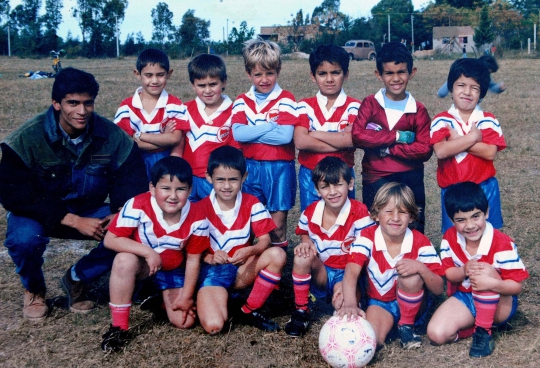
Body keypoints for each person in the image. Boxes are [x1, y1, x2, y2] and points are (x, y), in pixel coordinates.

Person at [0, 67, 148, 321]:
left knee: (137, 228)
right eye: (73, 103)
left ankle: (77, 277)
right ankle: (34, 289)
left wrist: (119, 212)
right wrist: (71, 220)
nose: (82, 111)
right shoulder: (27, 137)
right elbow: (13, 192)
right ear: (56, 103)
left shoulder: (111, 136)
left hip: (91, 211)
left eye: (88, 103)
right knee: (24, 239)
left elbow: (132, 179)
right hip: (39, 213)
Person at [101, 156, 210, 352]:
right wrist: (147, 252)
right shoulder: (137, 205)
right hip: (143, 267)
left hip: (173, 270)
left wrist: (186, 296)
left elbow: (193, 259)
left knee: (184, 322)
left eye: (181, 189)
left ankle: (158, 299)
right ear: (152, 188)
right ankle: (118, 328)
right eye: (165, 188)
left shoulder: (196, 216)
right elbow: (110, 239)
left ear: (190, 190)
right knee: (124, 260)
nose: (173, 196)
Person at [427, 182, 528, 358]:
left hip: (499, 302)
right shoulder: (450, 238)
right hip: (467, 297)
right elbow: (450, 274)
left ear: (487, 212)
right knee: (437, 334)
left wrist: (491, 283)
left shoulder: (502, 243)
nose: (470, 225)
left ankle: (484, 331)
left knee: (482, 269)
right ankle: (474, 329)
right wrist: (464, 269)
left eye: (475, 216)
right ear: (452, 220)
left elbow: (516, 287)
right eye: (461, 220)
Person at [338, 182, 444, 349]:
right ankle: (389, 327)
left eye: (402, 212)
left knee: (411, 276)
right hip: (381, 303)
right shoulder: (367, 236)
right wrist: (351, 304)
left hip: (414, 306)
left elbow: (439, 288)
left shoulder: (420, 241)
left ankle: (407, 327)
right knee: (369, 342)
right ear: (376, 214)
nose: (395, 218)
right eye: (388, 211)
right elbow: (351, 272)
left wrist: (421, 268)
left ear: (412, 216)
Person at [196, 146, 286, 333]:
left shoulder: (252, 203)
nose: (227, 186)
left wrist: (250, 250)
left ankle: (249, 308)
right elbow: (192, 249)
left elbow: (264, 241)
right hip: (212, 272)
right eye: (220, 179)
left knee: (277, 255)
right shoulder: (199, 208)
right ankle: (219, 300)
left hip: (241, 270)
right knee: (214, 326)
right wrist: (209, 257)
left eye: (233, 180)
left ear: (244, 177)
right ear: (208, 177)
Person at [284, 157, 374, 337]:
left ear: (350, 184)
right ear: (317, 190)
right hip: (322, 272)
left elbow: (367, 248)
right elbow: (303, 231)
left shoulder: (360, 212)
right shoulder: (310, 212)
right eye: (325, 187)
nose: (332, 192)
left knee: (343, 307)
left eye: (337, 185)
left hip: (348, 273)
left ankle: (349, 301)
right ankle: (302, 310)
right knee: (302, 256)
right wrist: (306, 244)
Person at [351, 41, 432, 233]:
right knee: (376, 225)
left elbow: (424, 149)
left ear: (412, 72)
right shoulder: (371, 103)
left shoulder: (418, 110)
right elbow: (358, 135)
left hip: (410, 177)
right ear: (379, 75)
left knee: (412, 223)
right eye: (389, 73)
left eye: (401, 72)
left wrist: (386, 148)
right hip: (376, 176)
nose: (396, 78)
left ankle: (412, 259)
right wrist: (398, 135)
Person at [231, 38, 298, 251]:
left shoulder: (286, 98)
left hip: (280, 168)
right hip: (250, 168)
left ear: (278, 70)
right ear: (248, 73)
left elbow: (285, 137)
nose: (264, 79)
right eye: (258, 74)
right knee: (252, 223)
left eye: (269, 73)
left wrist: (252, 131)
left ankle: (275, 273)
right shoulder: (241, 100)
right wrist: (270, 125)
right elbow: (238, 134)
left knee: (277, 225)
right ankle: (251, 266)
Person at [430, 58, 506, 234]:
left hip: (484, 188)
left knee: (489, 235)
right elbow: (441, 151)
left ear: (482, 93)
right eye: (461, 85)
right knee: (454, 238)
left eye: (474, 88)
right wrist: (472, 138)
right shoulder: (442, 119)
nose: (467, 92)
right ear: (451, 88)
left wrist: (458, 140)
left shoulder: (488, 119)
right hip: (453, 190)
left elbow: (489, 152)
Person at [294, 44, 360, 212]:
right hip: (310, 174)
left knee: (345, 222)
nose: (329, 79)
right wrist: (340, 141)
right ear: (313, 76)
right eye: (322, 73)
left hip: (342, 175)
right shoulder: (304, 105)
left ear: (346, 75)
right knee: (311, 221)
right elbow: (301, 141)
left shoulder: (355, 106)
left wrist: (314, 133)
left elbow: (351, 139)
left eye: (335, 73)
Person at [176, 53, 239, 202]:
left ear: (223, 82)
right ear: (193, 85)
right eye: (201, 85)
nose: (207, 90)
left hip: (214, 181)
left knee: (217, 220)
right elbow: (178, 144)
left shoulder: (234, 111)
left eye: (213, 84)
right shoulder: (184, 109)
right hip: (187, 178)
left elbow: (234, 152)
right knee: (187, 220)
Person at [114, 48, 184, 180]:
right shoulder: (127, 107)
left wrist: (140, 135)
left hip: (164, 161)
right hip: (135, 161)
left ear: (169, 74)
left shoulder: (174, 105)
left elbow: (175, 139)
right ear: (137, 74)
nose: (155, 81)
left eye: (160, 75)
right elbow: (126, 144)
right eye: (149, 75)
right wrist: (164, 139)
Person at [437, 55, 505, 98]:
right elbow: (441, 93)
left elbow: (491, 86)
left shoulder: (485, 76)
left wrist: (498, 88)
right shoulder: (462, 73)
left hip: (474, 106)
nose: (487, 75)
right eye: (487, 71)